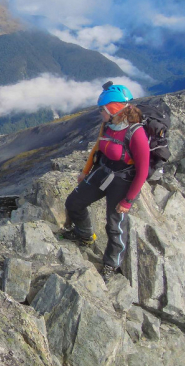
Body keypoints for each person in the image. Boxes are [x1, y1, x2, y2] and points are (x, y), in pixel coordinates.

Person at [62, 82, 150, 281]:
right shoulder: (108, 126)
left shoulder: (136, 134)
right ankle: (84, 235)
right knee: (74, 202)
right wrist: (86, 172)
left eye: (103, 109)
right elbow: (97, 149)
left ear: (113, 109)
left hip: (122, 181)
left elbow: (143, 171)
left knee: (114, 225)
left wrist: (127, 201)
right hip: (103, 172)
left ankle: (112, 265)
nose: (100, 113)